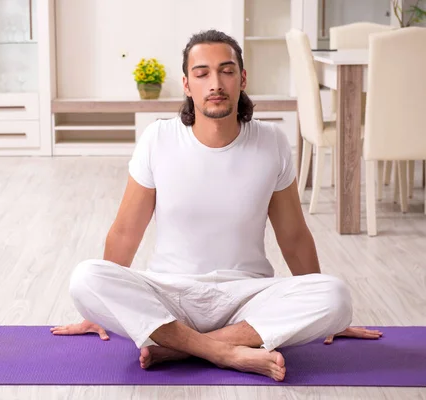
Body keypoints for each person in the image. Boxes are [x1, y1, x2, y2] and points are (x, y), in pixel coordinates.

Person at [51, 29, 382, 382]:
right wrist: (99, 309)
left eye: (226, 71)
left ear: (242, 78)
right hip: (171, 295)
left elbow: (294, 235)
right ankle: (225, 352)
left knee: (336, 295)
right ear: (186, 84)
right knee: (86, 278)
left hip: (247, 298)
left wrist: (328, 315)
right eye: (202, 73)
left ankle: (183, 348)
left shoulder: (271, 141)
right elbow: (125, 231)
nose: (215, 83)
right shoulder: (158, 139)